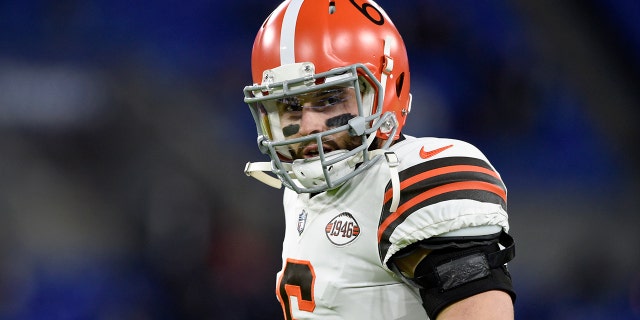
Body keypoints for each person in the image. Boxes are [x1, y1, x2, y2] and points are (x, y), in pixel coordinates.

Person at [243, 1, 516, 319]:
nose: (309, 126)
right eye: (290, 105)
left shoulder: (407, 182)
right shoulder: (299, 192)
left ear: (387, 88)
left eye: (330, 99)